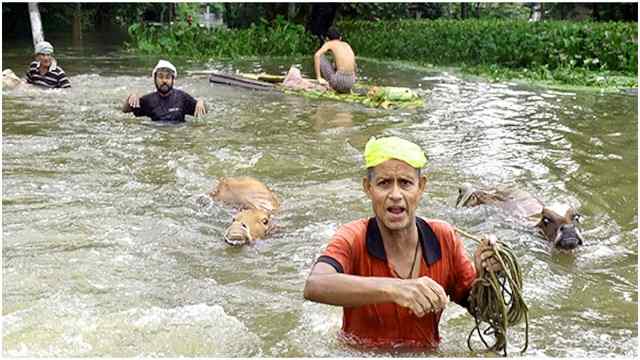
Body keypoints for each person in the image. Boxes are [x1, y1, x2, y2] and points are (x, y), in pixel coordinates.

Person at [303, 136, 502, 349]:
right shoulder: (353, 237)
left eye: (405, 183)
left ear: (421, 187)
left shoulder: (443, 237)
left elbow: (485, 312)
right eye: (384, 183)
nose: (395, 194)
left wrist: (487, 277)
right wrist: (396, 289)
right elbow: (315, 285)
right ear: (368, 188)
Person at [123, 60, 207, 122]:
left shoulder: (182, 98)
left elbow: (204, 111)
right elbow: (125, 110)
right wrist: (130, 97)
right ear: (154, 79)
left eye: (168, 77)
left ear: (173, 80)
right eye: (160, 77)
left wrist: (201, 101)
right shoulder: (148, 100)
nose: (164, 81)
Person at [313, 28, 357, 94]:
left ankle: (327, 82)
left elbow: (317, 55)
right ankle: (346, 87)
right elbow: (355, 65)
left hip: (338, 82)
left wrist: (319, 77)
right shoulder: (346, 44)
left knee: (321, 57)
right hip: (351, 82)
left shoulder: (329, 43)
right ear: (340, 38)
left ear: (327, 39)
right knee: (335, 62)